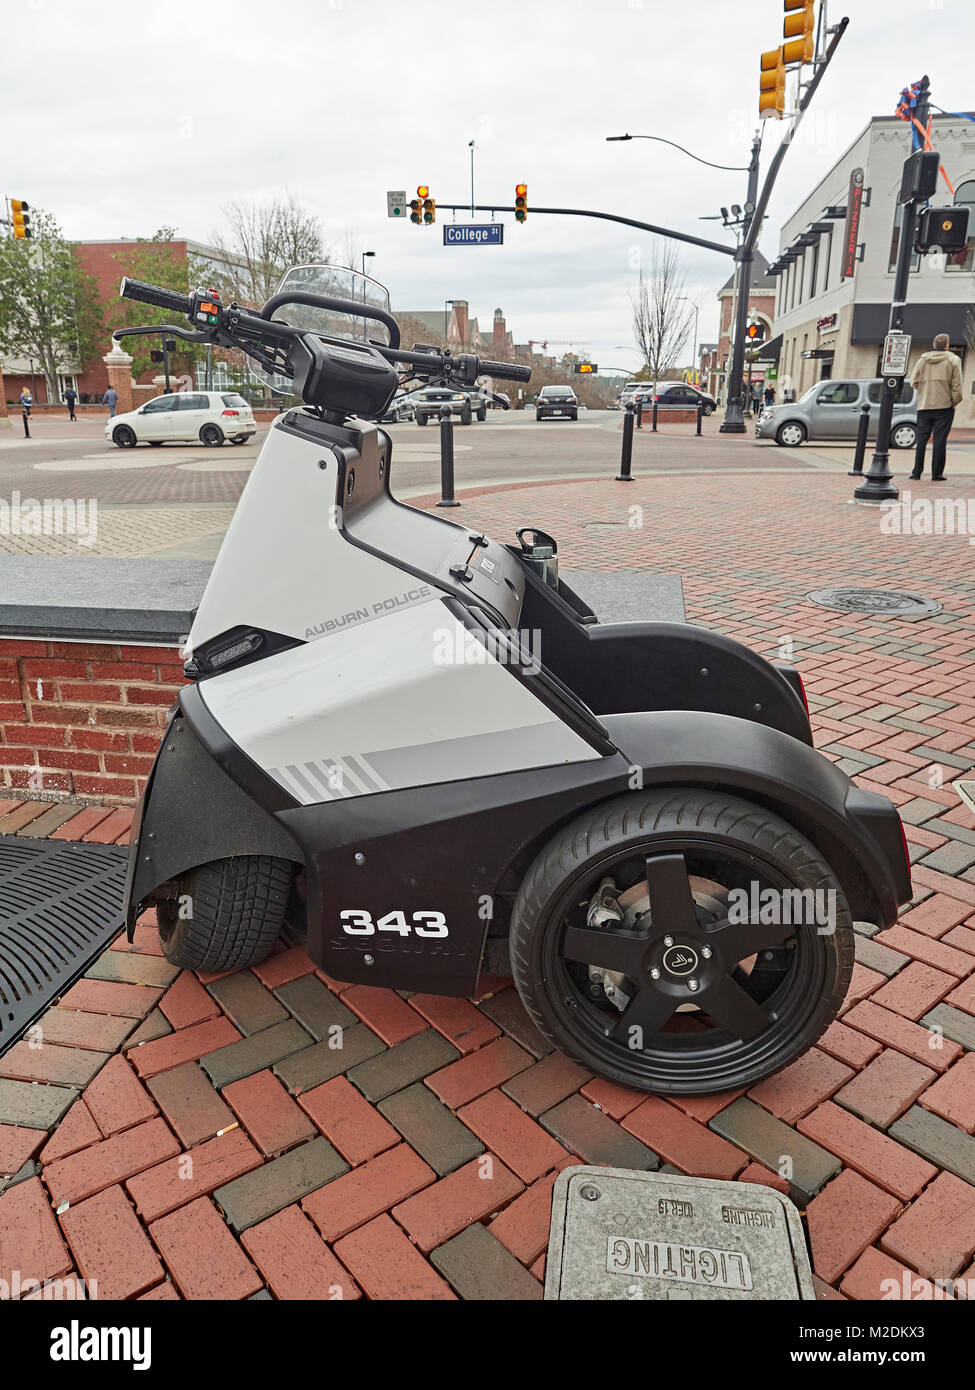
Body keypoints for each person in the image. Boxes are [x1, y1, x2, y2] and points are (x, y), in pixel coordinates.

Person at [909, 333, 963, 481]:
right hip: (945, 406)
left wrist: (925, 389)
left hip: (924, 405)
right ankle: (936, 474)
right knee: (940, 441)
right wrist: (954, 401)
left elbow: (913, 382)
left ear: (934, 344)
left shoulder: (923, 360)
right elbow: (957, 385)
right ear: (947, 345)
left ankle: (916, 472)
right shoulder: (954, 360)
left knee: (921, 440)